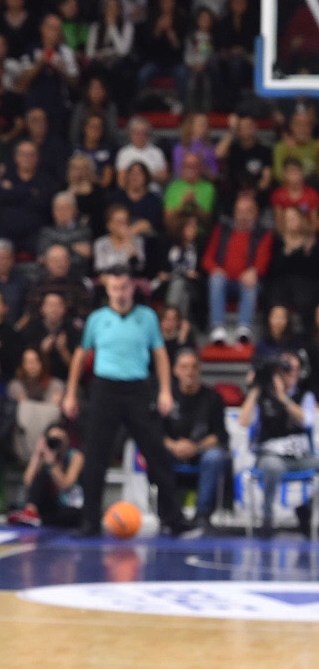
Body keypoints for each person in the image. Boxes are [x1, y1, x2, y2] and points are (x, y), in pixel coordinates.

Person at [63, 266, 192, 537]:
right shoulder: (97, 319)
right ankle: (89, 522)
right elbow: (79, 355)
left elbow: (159, 355)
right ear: (108, 289)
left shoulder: (146, 318)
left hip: (138, 389)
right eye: (115, 288)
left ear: (133, 287)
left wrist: (165, 391)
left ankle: (173, 519)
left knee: (157, 454)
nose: (120, 293)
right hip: (104, 389)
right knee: (95, 457)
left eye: (124, 287)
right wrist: (71, 393)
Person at [238, 351, 319, 539]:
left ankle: (305, 507)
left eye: (295, 369)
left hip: (300, 457)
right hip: (270, 456)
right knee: (273, 467)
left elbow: (305, 421)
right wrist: (258, 387)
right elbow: (243, 421)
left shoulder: (303, 395)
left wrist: (282, 397)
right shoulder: (262, 396)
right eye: (286, 369)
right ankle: (267, 519)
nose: (291, 373)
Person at [165, 348, 229, 534]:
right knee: (157, 453)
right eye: (184, 367)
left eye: (194, 367)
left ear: (200, 370)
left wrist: (196, 447)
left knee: (216, 456)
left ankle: (202, 515)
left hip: (201, 452)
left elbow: (220, 434)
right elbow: (156, 433)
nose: (189, 372)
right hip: (173, 451)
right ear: (175, 370)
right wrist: (174, 445)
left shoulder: (212, 397)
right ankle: (170, 515)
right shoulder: (166, 397)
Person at [202, 194, 272, 345]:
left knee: (250, 281)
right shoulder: (222, 231)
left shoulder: (262, 234)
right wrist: (216, 269)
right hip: (224, 281)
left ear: (256, 213)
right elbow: (207, 258)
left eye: (248, 211)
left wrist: (254, 271)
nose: (243, 216)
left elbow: (263, 260)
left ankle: (244, 328)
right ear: (234, 212)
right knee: (216, 279)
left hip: (245, 282)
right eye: (239, 211)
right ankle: (218, 328)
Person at [13, 422, 84, 529]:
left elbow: (66, 485)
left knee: (73, 515)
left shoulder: (75, 456)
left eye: (60, 440)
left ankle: (39, 520)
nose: (56, 443)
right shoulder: (45, 455)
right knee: (40, 475)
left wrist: (53, 463)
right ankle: (30, 512)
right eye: (52, 439)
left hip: (68, 505)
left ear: (67, 440)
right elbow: (28, 482)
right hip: (50, 503)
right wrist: (37, 455)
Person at [9, 348, 66, 465]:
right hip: (24, 436)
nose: (31, 365)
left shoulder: (56, 384)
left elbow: (52, 411)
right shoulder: (15, 385)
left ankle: (47, 457)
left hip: (48, 432)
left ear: (42, 362)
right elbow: (25, 409)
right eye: (27, 362)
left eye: (35, 361)